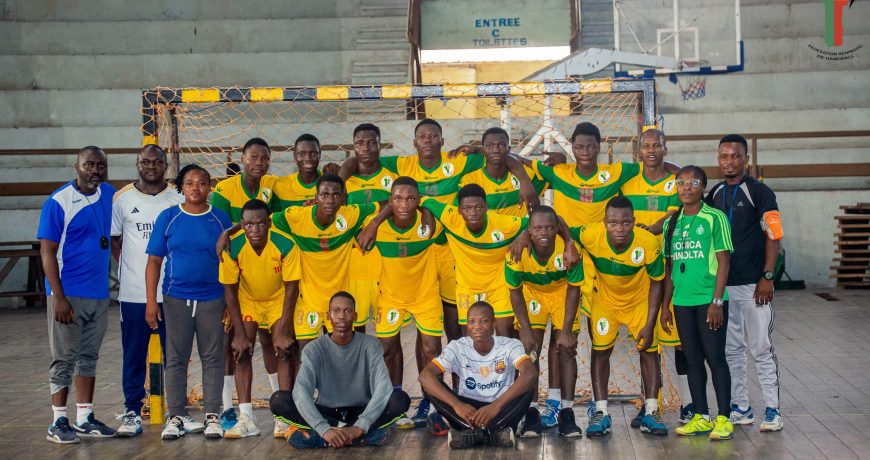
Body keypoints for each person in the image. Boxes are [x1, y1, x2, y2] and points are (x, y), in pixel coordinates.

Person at [340, 118, 540, 432]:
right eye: (422, 136)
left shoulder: (459, 163)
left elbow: (498, 154)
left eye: (434, 136)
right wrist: (349, 184)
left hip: (459, 252)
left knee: (467, 332)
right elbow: (361, 161)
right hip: (434, 250)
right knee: (451, 333)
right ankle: (428, 399)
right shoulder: (402, 164)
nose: (429, 141)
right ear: (415, 141)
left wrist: (522, 168)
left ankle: (487, 398)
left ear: (442, 140)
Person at [146, 164, 233, 440]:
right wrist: (151, 301)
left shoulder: (220, 218)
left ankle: (212, 416)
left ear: (210, 186)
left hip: (213, 297)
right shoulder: (169, 217)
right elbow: (154, 261)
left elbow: (232, 264)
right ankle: (175, 417)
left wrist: (231, 302)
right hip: (176, 298)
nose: (196, 188)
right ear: (181, 187)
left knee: (213, 358)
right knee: (176, 358)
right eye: (190, 183)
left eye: (202, 183)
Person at [39, 146, 116, 444]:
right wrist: (58, 296)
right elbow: (46, 252)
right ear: (76, 167)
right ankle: (58, 420)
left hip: (98, 294)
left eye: (100, 165)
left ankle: (84, 417)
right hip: (68, 294)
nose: (95, 170)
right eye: (89, 164)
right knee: (64, 358)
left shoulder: (110, 194)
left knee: (88, 357)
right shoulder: (59, 201)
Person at [707, 134, 784, 432]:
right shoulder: (713, 193)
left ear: (746, 158)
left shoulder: (759, 192)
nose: (729, 161)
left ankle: (773, 411)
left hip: (754, 286)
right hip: (723, 287)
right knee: (731, 350)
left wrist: (767, 276)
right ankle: (741, 407)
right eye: (724, 156)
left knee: (761, 348)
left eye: (735, 156)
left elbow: (773, 235)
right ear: (718, 159)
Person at [572, 196, 667, 437]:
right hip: (606, 302)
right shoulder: (591, 235)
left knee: (648, 350)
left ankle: (652, 411)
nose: (619, 228)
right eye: (613, 223)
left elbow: (658, 283)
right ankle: (601, 412)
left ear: (634, 222)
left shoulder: (648, 242)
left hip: (639, 301)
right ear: (604, 222)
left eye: (626, 223)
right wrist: (567, 246)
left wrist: (650, 321)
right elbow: (562, 227)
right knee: (600, 351)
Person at [619, 129, 693, 427]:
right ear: (638, 150)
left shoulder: (677, 182)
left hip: (673, 271)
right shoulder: (627, 182)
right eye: (646, 145)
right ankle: (652, 405)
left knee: (680, 341)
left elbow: (675, 216)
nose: (651, 150)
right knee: (647, 341)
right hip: (643, 274)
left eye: (657, 145)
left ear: (666, 148)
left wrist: (653, 230)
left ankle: (690, 402)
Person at [270, 292, 410, 449]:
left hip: (360, 412)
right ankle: (357, 436)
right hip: (327, 413)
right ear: (328, 316)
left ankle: (329, 437)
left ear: (355, 316)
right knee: (279, 400)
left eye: (347, 311)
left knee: (400, 399)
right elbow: (301, 391)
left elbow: (383, 387)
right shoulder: (314, 349)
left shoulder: (371, 345)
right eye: (336, 311)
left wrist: (359, 425)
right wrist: (324, 428)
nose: (341, 316)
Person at [357, 177, 445, 426]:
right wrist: (375, 222)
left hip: (425, 294)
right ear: (390, 201)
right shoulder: (374, 227)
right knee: (388, 349)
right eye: (397, 198)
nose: (404, 204)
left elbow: (448, 217)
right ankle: (395, 404)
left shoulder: (430, 225)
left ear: (418, 200)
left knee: (431, 349)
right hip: (391, 297)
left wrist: (427, 209)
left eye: (410, 198)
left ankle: (432, 402)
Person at [110, 144, 182, 437]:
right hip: (133, 294)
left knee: (174, 354)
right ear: (137, 164)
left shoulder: (177, 197)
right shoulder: (122, 199)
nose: (151, 166)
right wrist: (131, 268)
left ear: (166, 165)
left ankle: (176, 413)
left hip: (172, 292)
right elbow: (115, 241)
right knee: (133, 353)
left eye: (157, 162)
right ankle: (131, 410)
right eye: (145, 162)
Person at [211, 137, 280, 431]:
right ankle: (230, 408)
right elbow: (218, 233)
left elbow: (267, 220)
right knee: (234, 344)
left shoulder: (270, 188)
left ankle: (281, 404)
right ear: (242, 157)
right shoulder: (224, 190)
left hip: (262, 277)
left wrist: (239, 226)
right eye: (253, 157)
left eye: (264, 158)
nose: (259, 163)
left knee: (270, 343)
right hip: (231, 277)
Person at [270, 174, 386, 347]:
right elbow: (259, 220)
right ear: (316, 197)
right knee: (306, 355)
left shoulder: (351, 215)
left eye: (336, 195)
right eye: (324, 194)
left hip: (339, 302)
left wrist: (374, 224)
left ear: (343, 198)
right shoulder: (296, 216)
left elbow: (390, 202)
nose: (330, 200)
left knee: (340, 353)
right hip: (309, 301)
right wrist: (229, 232)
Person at [662, 165, 734, 440]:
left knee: (715, 359)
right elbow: (669, 270)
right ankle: (702, 416)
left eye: (692, 183)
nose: (685, 188)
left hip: (709, 300)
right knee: (692, 360)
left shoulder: (715, 218)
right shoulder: (671, 223)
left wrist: (717, 301)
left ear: (703, 187)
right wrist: (667, 305)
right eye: (680, 183)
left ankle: (724, 418)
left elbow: (725, 260)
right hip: (682, 302)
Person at [220, 199, 302, 439]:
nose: (254, 229)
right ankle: (247, 418)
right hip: (248, 300)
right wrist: (240, 333)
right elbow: (229, 289)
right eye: (248, 224)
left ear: (269, 222)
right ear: (242, 225)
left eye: (260, 223)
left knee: (284, 348)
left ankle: (284, 417)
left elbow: (292, 287)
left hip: (278, 299)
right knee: (241, 350)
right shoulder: (232, 247)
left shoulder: (285, 244)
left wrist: (285, 328)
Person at [505, 205, 583, 437]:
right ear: (528, 230)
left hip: (562, 294)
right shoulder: (516, 252)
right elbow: (515, 291)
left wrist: (567, 329)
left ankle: (566, 412)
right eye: (538, 228)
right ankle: (531, 413)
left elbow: (574, 287)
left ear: (557, 228)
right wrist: (526, 330)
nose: (544, 233)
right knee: (531, 352)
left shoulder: (569, 250)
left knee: (565, 349)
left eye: (549, 227)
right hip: (532, 294)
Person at [419, 301, 537, 449]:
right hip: (468, 412)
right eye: (471, 321)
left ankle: (473, 435)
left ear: (494, 323)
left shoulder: (510, 345)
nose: (477, 327)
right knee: (433, 386)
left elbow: (530, 373)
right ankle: (495, 436)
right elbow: (424, 376)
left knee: (528, 385)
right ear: (467, 325)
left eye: (484, 321)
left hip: (500, 410)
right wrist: (458, 405)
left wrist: (495, 406)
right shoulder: (458, 346)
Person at [345, 123, 396, 333]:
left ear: (379, 145)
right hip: (354, 268)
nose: (365, 148)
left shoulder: (393, 177)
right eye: (360, 143)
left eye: (371, 143)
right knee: (355, 334)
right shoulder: (342, 182)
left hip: (387, 267)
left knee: (390, 340)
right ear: (353, 147)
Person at [457, 127, 547, 217]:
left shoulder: (527, 175)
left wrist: (525, 181)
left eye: (502, 145)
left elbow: (555, 177)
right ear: (483, 150)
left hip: (520, 230)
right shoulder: (469, 181)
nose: (496, 150)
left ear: (508, 149)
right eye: (489, 145)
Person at [271, 134, 340, 211]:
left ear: (319, 154)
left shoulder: (330, 181)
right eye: (302, 154)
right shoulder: (281, 185)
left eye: (313, 153)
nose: (308, 158)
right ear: (294, 156)